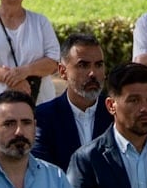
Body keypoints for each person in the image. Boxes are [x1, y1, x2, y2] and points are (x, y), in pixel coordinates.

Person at [36, 32, 106, 170]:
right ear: (63, 71)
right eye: (83, 65)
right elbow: (43, 174)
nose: (92, 73)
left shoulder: (116, 114)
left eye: (98, 65)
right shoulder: (43, 117)